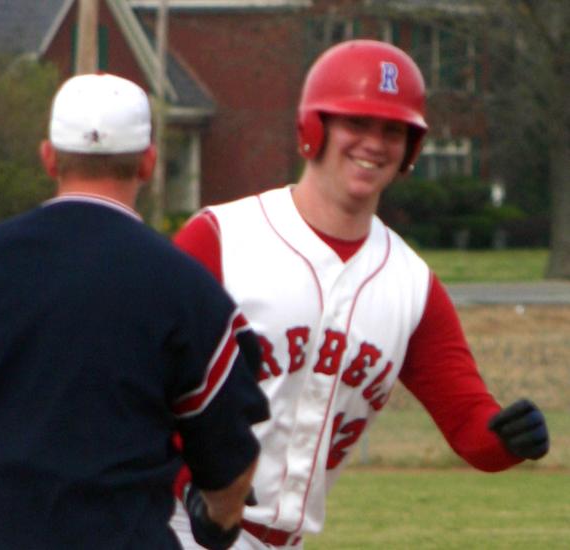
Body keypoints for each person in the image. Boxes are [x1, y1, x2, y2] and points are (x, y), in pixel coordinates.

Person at [169, 40, 550, 549]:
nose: (375, 142)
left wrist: (508, 440)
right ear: (314, 127)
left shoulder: (411, 284)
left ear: (412, 148)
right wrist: (188, 486)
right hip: (172, 522)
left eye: (394, 130)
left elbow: (469, 424)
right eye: (357, 123)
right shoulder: (221, 238)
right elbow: (136, 385)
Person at [0, 73, 269, 549]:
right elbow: (229, 460)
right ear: (149, 163)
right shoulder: (187, 291)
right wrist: (219, 518)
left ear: (48, 157)